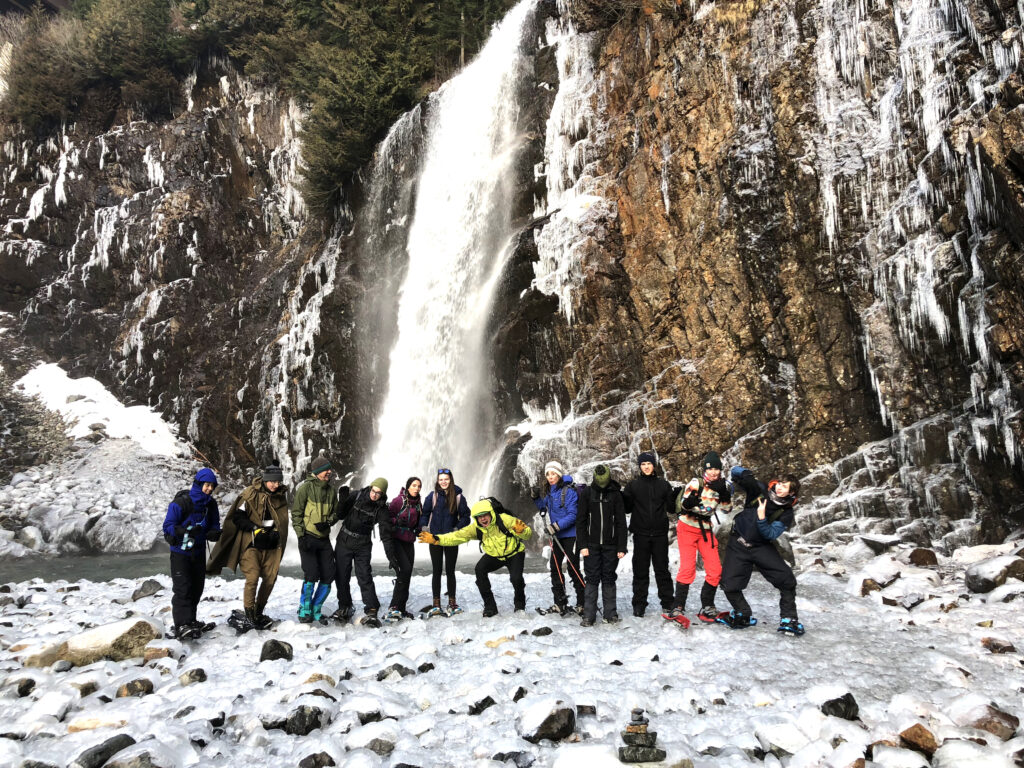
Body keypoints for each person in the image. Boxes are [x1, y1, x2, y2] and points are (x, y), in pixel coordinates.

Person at [207, 464, 289, 631]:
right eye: (272, 481)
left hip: (272, 545)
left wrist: (274, 533)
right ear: (265, 480)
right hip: (251, 544)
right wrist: (254, 528)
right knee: (252, 577)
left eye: (277, 482)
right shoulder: (250, 493)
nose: (275, 485)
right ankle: (249, 612)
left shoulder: (280, 497)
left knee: (270, 579)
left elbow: (281, 521)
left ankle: (258, 611)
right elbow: (238, 516)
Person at [722, 467, 804, 634]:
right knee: (729, 585)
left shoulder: (786, 512)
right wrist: (743, 474)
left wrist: (761, 517)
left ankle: (789, 619)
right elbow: (736, 472)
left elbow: (771, 533)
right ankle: (742, 613)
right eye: (779, 483)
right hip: (738, 543)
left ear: (791, 492)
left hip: (761, 547)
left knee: (787, 580)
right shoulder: (759, 490)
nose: (780, 487)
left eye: (785, 486)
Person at [418, 498, 531, 617]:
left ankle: (519, 605)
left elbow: (528, 534)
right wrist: (437, 539)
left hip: (514, 553)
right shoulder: (476, 528)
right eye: (479, 516)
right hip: (494, 555)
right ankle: (490, 607)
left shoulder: (505, 519)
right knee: (480, 570)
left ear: (490, 513)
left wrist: (521, 531)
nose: (482, 519)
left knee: (516, 579)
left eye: (485, 515)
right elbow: (457, 536)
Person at [664, 451, 731, 627]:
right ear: (705, 470)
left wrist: (725, 495)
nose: (714, 472)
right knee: (687, 568)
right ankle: (678, 606)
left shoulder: (723, 486)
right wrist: (689, 503)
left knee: (715, 570)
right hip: (687, 527)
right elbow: (685, 503)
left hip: (705, 530)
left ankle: (707, 606)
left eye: (717, 469)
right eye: (710, 469)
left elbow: (726, 509)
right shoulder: (696, 483)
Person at [162, 467, 221, 639]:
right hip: (180, 553)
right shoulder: (181, 503)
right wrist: (182, 531)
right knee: (183, 589)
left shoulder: (211, 505)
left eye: (212, 486)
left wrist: (214, 533)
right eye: (207, 485)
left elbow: (214, 524)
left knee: (197, 588)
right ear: (198, 483)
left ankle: (191, 620)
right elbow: (168, 526)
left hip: (199, 551)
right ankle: (181, 624)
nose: (209, 489)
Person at [622, 451, 677, 617]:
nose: (646, 467)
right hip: (641, 534)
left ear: (654, 465)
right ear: (640, 466)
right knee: (640, 571)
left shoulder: (663, 485)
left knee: (662, 570)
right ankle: (639, 604)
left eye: (649, 464)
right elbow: (627, 509)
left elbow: (671, 509)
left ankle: (668, 603)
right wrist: (622, 496)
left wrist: (674, 496)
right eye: (643, 464)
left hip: (660, 534)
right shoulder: (633, 485)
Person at [290, 456, 341, 624]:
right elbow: (296, 514)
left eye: (329, 469)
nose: (329, 472)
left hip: (324, 538)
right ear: (318, 472)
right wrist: (301, 535)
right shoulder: (305, 489)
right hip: (308, 538)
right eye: (326, 469)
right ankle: (304, 608)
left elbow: (335, 514)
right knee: (311, 574)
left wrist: (327, 522)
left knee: (328, 575)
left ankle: (316, 607)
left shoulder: (332, 491)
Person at [576, 464, 627, 626]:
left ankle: (610, 613)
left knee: (609, 578)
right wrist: (582, 545)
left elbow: (621, 522)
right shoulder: (587, 493)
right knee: (591, 579)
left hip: (611, 545)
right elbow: (581, 521)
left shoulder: (615, 494)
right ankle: (589, 615)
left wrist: (621, 546)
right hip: (591, 545)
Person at [531, 460, 584, 615]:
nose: (550, 477)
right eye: (548, 474)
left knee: (573, 569)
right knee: (555, 568)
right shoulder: (551, 492)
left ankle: (583, 603)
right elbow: (543, 507)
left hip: (571, 536)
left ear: (559, 474)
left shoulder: (568, 492)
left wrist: (555, 526)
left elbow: (573, 515)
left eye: (553, 473)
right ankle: (560, 602)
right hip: (558, 537)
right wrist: (535, 497)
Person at [334, 477, 389, 627]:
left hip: (363, 544)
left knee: (364, 575)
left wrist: (392, 556)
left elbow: (386, 532)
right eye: (373, 490)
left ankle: (371, 608)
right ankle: (345, 606)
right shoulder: (357, 495)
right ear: (370, 488)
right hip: (344, 540)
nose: (374, 495)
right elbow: (340, 514)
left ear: (382, 494)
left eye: (378, 493)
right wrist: (343, 499)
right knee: (341, 575)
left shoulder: (381, 508)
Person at [420, 468, 471, 616]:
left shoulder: (458, 497)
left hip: (451, 539)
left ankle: (452, 602)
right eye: (441, 479)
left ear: (451, 480)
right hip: (434, 539)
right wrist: (424, 527)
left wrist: (457, 528)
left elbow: (466, 516)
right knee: (436, 571)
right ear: (438, 481)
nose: (443, 482)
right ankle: (436, 603)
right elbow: (425, 513)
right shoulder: (432, 496)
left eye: (446, 479)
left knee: (450, 571)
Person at [381, 477, 422, 621]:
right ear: (408, 486)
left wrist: (418, 529)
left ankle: (402, 608)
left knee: (408, 572)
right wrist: (395, 521)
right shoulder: (399, 501)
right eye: (414, 485)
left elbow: (418, 521)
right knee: (404, 570)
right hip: (397, 539)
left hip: (409, 541)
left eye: (418, 486)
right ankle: (394, 606)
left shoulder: (418, 504)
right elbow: (385, 518)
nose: (416, 488)